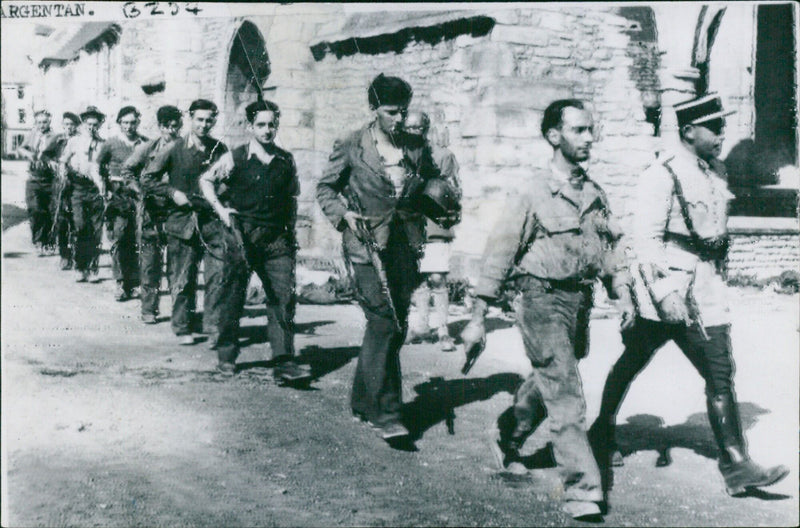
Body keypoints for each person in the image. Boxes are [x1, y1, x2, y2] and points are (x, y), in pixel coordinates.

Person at [589, 94, 789, 496]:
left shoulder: (715, 171)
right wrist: (664, 294)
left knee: (719, 371)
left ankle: (736, 464)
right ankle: (600, 432)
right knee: (634, 359)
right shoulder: (660, 175)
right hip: (668, 293)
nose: (721, 135)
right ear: (688, 131)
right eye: (714, 128)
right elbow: (646, 240)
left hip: (707, 289)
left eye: (722, 127)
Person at [460, 99, 635, 520]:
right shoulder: (532, 192)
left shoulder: (594, 193)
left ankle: (508, 433)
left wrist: (623, 290)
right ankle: (583, 488)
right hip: (539, 298)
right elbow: (500, 252)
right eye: (579, 130)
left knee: (553, 376)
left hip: (579, 300)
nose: (589, 138)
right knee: (567, 395)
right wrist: (478, 317)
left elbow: (609, 247)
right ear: (554, 136)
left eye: (591, 130)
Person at [316, 74, 427, 441]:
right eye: (391, 111)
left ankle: (363, 400)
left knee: (397, 325)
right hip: (365, 245)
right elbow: (325, 188)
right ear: (374, 109)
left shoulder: (414, 145)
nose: (399, 118)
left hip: (403, 247)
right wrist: (343, 215)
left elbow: (427, 184)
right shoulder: (351, 143)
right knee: (384, 321)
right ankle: (387, 412)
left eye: (403, 111)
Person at [200, 99, 311, 380]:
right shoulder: (235, 158)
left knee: (282, 298)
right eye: (260, 125)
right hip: (241, 237)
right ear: (250, 127)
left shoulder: (285, 159)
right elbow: (206, 181)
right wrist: (222, 211)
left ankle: (284, 360)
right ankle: (226, 355)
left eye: (271, 124)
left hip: (277, 241)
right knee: (233, 297)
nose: (267, 130)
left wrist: (291, 231)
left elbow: (292, 198)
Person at [141, 99, 231, 348]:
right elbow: (147, 179)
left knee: (218, 276)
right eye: (199, 119)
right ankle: (182, 326)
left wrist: (223, 195)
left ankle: (213, 327)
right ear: (191, 119)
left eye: (209, 120)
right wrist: (172, 193)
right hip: (182, 221)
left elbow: (230, 179)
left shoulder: (220, 149)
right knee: (183, 276)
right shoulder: (174, 148)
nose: (204, 125)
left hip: (212, 222)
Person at [404, 111, 462, 352]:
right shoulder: (400, 155)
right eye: (408, 127)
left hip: (433, 224)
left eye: (418, 128)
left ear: (425, 129)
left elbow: (452, 191)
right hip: (409, 224)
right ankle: (421, 326)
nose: (412, 132)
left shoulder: (442, 155)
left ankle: (443, 331)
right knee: (417, 280)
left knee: (437, 278)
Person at [120, 105, 183, 324]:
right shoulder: (148, 148)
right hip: (151, 213)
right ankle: (149, 309)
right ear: (160, 127)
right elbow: (127, 171)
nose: (171, 131)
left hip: (177, 213)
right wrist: (138, 192)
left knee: (177, 266)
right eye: (166, 127)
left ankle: (180, 311)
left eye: (175, 126)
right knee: (150, 264)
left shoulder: (185, 149)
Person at [96, 106, 148, 301]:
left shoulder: (145, 143)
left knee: (138, 239)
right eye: (125, 122)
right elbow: (97, 165)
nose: (129, 126)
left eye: (133, 122)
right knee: (119, 237)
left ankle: (133, 283)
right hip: (118, 197)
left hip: (139, 197)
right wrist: (102, 185)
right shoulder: (111, 144)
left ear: (138, 122)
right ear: (119, 123)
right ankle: (120, 282)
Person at [59, 106, 106, 283]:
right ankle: (80, 266)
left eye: (95, 124)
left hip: (95, 190)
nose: (91, 127)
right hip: (78, 187)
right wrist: (64, 172)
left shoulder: (103, 144)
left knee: (96, 229)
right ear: (83, 123)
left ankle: (93, 268)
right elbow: (63, 160)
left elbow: (104, 167)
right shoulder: (75, 142)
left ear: (99, 124)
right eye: (88, 124)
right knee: (79, 226)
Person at [40, 112, 81, 269]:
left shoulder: (81, 140)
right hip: (60, 184)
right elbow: (44, 155)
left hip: (78, 185)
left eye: (72, 124)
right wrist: (52, 163)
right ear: (62, 125)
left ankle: (77, 255)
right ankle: (64, 255)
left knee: (77, 220)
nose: (69, 127)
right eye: (66, 124)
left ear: (76, 126)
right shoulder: (58, 140)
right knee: (61, 219)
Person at [19, 110, 57, 256]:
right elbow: (21, 148)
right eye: (39, 122)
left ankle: (47, 242)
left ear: (49, 122)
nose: (42, 125)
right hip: (33, 178)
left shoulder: (55, 137)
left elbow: (60, 154)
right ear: (35, 123)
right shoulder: (32, 135)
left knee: (49, 211)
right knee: (35, 209)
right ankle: (38, 241)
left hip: (50, 179)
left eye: (44, 122)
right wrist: (28, 153)